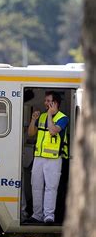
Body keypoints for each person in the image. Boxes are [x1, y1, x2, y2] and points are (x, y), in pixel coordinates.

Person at [27, 91, 68, 224]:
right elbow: (31, 133)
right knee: (36, 187)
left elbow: (53, 130)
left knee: (51, 188)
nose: (45, 103)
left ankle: (48, 216)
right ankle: (37, 215)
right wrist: (33, 120)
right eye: (45, 101)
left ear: (55, 103)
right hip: (39, 157)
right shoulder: (42, 116)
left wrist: (50, 115)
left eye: (48, 101)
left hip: (54, 159)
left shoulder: (63, 118)